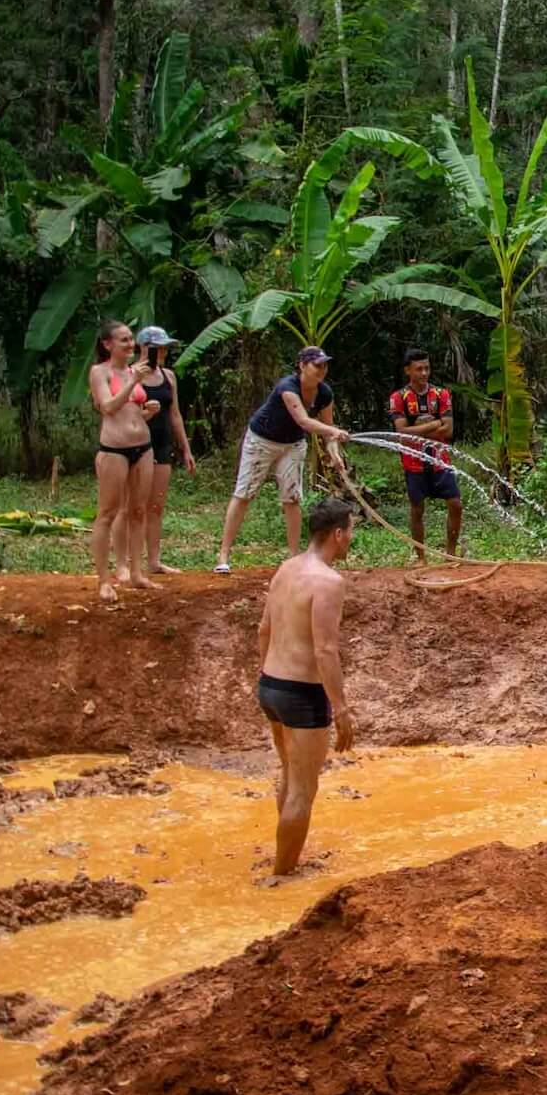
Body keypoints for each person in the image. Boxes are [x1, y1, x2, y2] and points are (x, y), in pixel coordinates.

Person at [255, 497, 358, 877]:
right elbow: (325, 650)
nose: (351, 539)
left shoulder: (286, 567)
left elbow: (263, 629)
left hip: (271, 685)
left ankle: (284, 858)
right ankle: (282, 875)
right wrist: (341, 708)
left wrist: (264, 678)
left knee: (289, 775)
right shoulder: (329, 582)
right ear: (336, 534)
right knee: (303, 789)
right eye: (350, 531)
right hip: (302, 694)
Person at [216, 346, 349, 574]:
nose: (322, 370)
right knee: (244, 493)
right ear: (302, 366)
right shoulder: (287, 388)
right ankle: (223, 555)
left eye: (325, 365)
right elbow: (304, 421)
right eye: (317, 365)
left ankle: (294, 557)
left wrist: (334, 452)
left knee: (292, 498)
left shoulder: (325, 393)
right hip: (261, 441)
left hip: (293, 445)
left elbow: (328, 431)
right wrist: (333, 431)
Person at [87, 321, 159, 603]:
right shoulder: (100, 372)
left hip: (143, 447)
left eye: (132, 340)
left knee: (139, 510)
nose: (131, 345)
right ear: (108, 344)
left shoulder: (132, 371)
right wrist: (133, 382)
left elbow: (131, 412)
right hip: (113, 450)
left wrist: (148, 411)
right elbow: (107, 407)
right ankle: (105, 580)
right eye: (124, 340)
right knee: (107, 513)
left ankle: (138, 573)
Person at [130, 326, 194, 577]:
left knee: (156, 505)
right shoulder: (129, 375)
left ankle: (154, 561)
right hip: (136, 444)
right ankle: (129, 561)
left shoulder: (168, 376)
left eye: (166, 348)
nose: (163, 352)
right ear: (144, 348)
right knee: (135, 505)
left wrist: (185, 448)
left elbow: (175, 414)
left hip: (162, 443)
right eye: (158, 348)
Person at [388, 348, 462, 562]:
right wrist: (434, 423)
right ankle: (420, 556)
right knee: (417, 509)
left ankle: (451, 554)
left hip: (440, 461)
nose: (424, 373)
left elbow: (448, 430)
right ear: (407, 371)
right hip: (413, 463)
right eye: (419, 369)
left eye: (427, 368)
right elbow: (401, 433)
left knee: (456, 504)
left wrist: (418, 428)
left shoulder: (441, 395)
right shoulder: (399, 397)